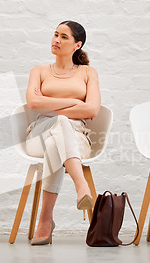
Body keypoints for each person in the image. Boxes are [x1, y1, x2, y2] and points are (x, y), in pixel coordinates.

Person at [25, 20, 101, 245]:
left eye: (64, 37)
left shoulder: (88, 72)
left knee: (54, 144)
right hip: (39, 133)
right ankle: (81, 185)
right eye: (56, 34)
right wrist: (72, 101)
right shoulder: (38, 71)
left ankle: (45, 220)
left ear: (77, 45)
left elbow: (93, 109)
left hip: (77, 136)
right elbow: (32, 103)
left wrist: (47, 101)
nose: (57, 40)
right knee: (58, 123)